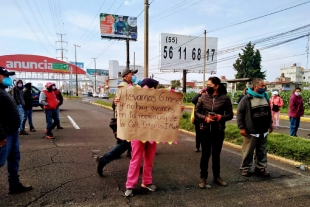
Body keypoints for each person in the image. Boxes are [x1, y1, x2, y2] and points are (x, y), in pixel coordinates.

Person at [194, 77, 233, 188]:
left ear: (216, 86)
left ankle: (217, 177)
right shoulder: (203, 97)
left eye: (209, 84)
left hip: (218, 131)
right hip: (204, 131)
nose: (207, 86)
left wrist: (221, 117)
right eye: (207, 84)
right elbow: (197, 112)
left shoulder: (225, 99)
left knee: (216, 155)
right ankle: (203, 178)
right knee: (205, 155)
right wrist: (205, 118)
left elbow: (230, 115)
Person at [0, 67, 33, 194]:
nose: (7, 78)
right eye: (4, 75)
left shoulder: (3, 90)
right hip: (5, 135)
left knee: (14, 159)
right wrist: (1, 135)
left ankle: (14, 185)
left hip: (12, 132)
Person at [237, 78, 273, 177]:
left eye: (264, 85)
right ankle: (245, 168)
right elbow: (240, 113)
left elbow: (268, 112)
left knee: (262, 150)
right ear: (256, 87)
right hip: (251, 130)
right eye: (262, 86)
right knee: (248, 150)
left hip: (263, 130)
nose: (264, 87)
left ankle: (260, 168)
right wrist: (242, 127)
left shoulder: (265, 97)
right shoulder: (247, 98)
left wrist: (270, 124)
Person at [191, 88, 206, 152]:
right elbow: (193, 100)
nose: (203, 94)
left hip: (205, 119)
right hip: (197, 119)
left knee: (205, 135)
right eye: (202, 92)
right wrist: (199, 94)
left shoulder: (208, 100)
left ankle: (204, 147)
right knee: (198, 134)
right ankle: (197, 147)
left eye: (205, 92)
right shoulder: (198, 99)